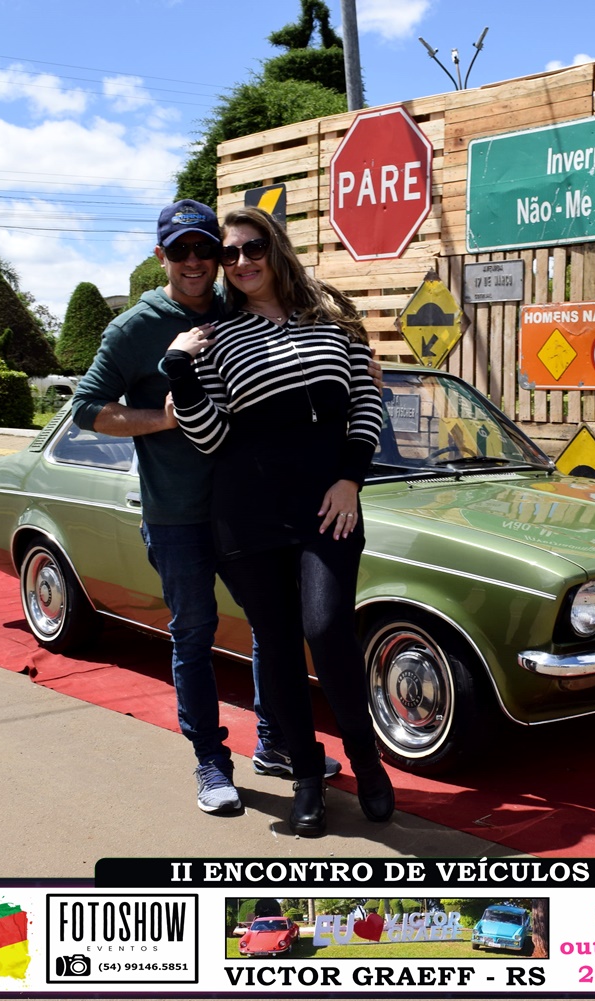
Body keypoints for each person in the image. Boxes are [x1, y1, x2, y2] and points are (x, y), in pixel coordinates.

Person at [70, 199, 341, 817]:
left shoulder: (235, 307)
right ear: (160, 256)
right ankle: (211, 761)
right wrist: (160, 419)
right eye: (181, 251)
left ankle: (275, 742)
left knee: (272, 628)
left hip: (248, 509)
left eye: (206, 250)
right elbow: (87, 407)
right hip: (178, 515)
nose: (195, 261)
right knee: (193, 633)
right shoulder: (134, 328)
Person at [163, 206, 394, 837]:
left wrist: (351, 478)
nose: (241, 261)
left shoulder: (333, 320)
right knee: (279, 646)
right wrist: (179, 369)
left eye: (253, 247)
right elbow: (210, 437)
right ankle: (306, 777)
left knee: (327, 628)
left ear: (276, 249)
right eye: (230, 253)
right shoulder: (219, 338)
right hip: (247, 513)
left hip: (327, 506)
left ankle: (368, 761)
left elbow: (366, 401)